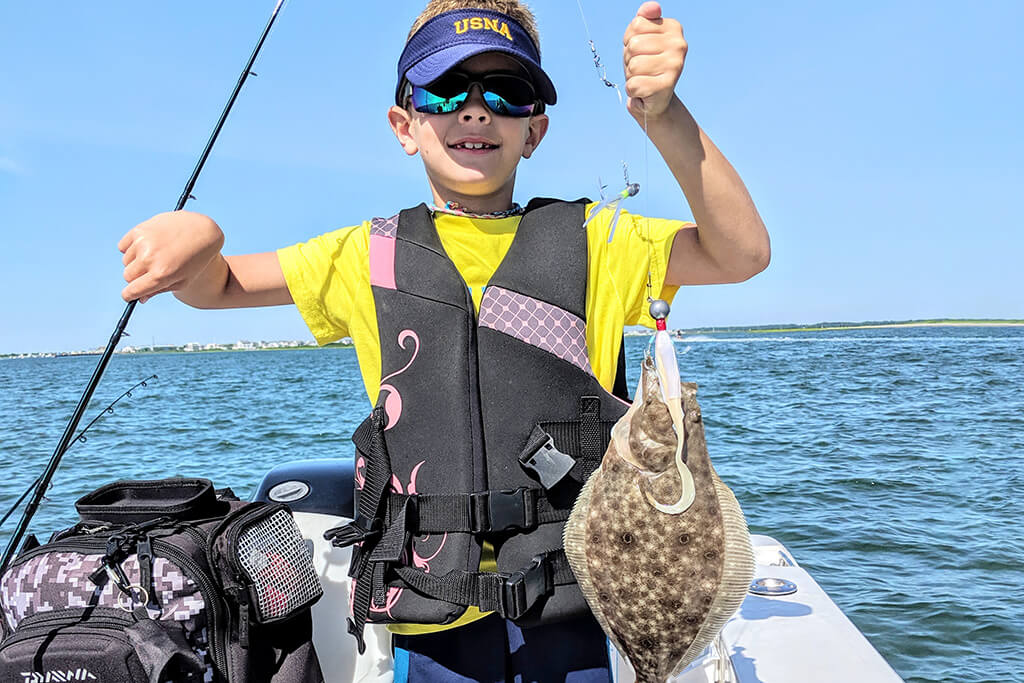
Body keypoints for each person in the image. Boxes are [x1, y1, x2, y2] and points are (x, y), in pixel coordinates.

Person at [118, 1, 769, 680]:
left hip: (575, 609)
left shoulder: (600, 242)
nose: (476, 108)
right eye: (444, 89)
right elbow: (217, 286)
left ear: (535, 129)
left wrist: (664, 117)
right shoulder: (361, 255)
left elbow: (740, 252)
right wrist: (198, 239)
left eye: (507, 91)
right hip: (431, 618)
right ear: (405, 124)